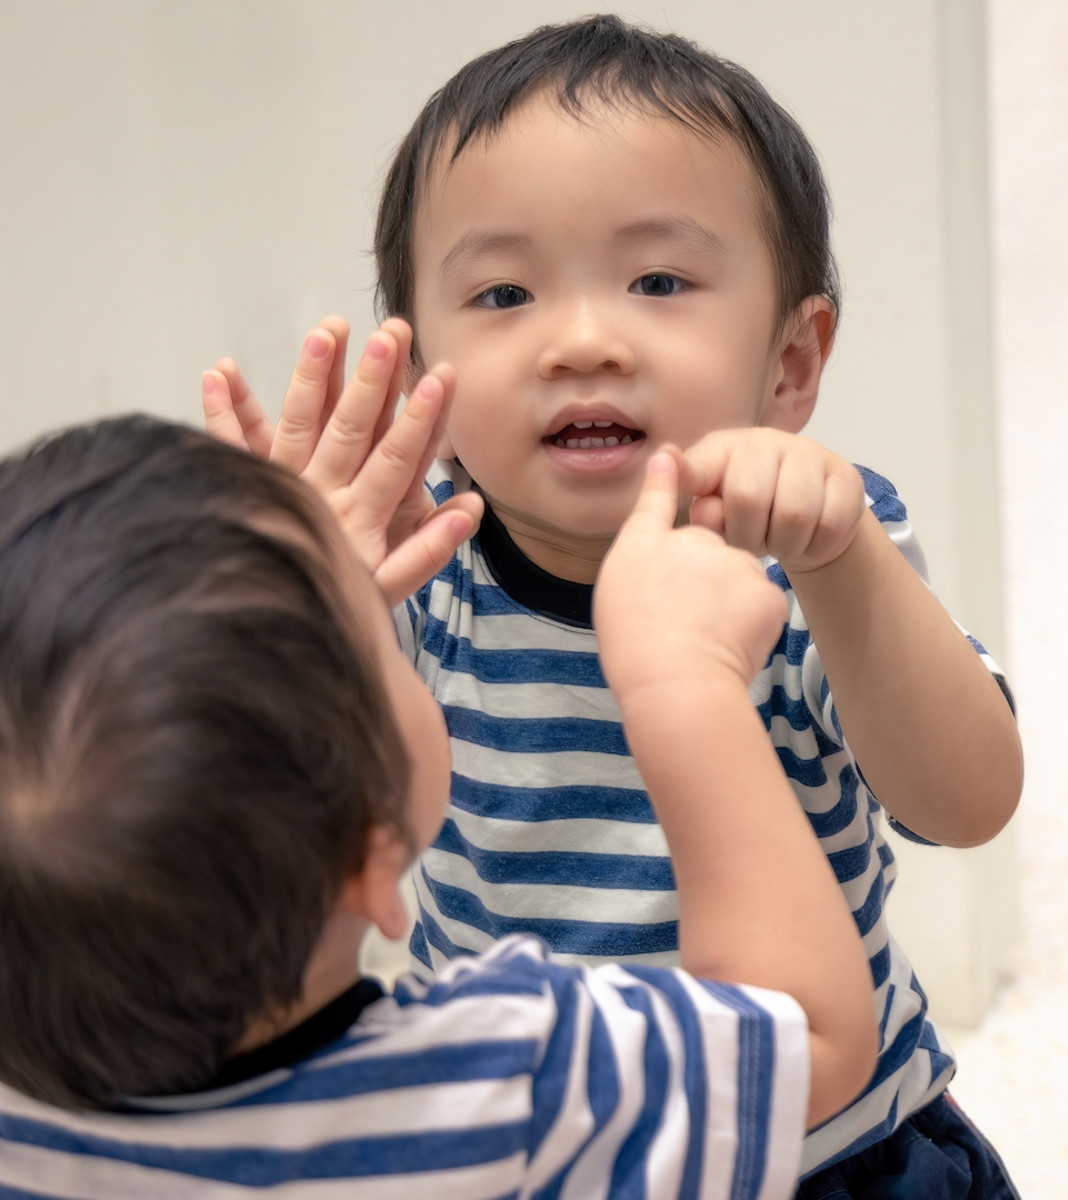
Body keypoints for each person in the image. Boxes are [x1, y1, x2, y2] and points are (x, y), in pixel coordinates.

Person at [203, 15, 1024, 1196]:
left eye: (657, 281)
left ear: (791, 362)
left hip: (824, 1154)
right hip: (520, 1153)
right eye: (503, 293)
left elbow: (968, 803)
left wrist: (846, 563)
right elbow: (242, 839)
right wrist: (293, 595)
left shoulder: (803, 554)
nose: (581, 342)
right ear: (420, 372)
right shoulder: (419, 575)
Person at [0, 396, 877, 1196]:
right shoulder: (505, 1083)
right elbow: (809, 1037)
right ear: (368, 859)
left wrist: (303, 603)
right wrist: (684, 683)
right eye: (378, 637)